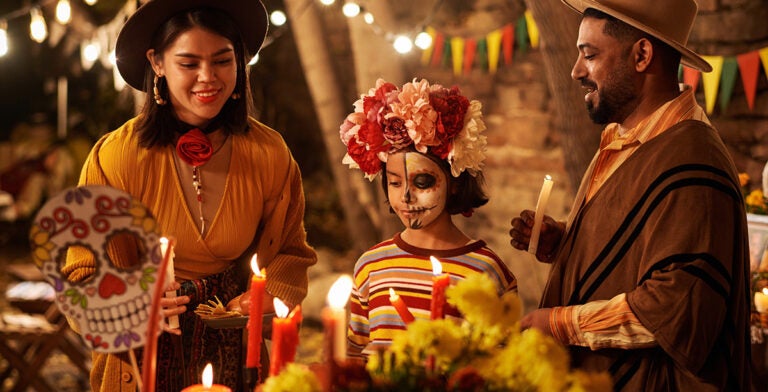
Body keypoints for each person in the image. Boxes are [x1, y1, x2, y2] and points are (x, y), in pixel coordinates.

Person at [63, 0, 317, 390]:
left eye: (222, 60)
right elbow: (80, 271)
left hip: (237, 351)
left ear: (240, 62)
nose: (207, 77)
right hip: (141, 358)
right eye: (188, 63)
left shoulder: (269, 154)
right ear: (157, 63)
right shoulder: (117, 156)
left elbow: (290, 251)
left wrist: (263, 300)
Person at [509, 0, 750, 389]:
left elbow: (677, 305)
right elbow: (638, 241)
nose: (576, 71)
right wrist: (569, 240)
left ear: (641, 55)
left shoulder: (693, 159)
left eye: (589, 55)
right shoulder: (627, 139)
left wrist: (559, 324)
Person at [340, 79, 518, 360]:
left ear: (455, 182)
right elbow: (356, 354)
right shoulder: (371, 265)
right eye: (395, 183)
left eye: (422, 182)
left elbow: (503, 365)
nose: (406, 197)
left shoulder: (486, 271)